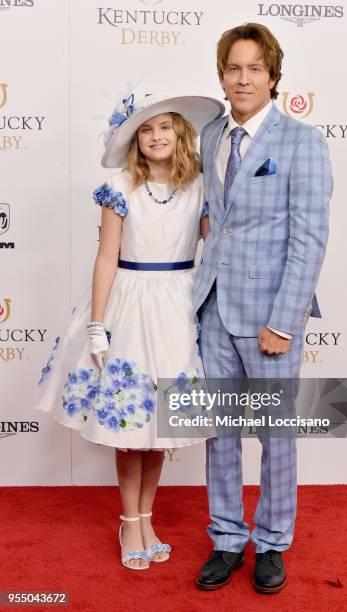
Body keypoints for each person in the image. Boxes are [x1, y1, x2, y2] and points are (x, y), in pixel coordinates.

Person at [35, 91, 224, 571]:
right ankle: (129, 520)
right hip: (130, 303)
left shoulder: (200, 185)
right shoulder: (120, 186)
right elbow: (106, 257)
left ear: (180, 133)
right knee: (129, 425)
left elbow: (217, 241)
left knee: (160, 425)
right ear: (134, 141)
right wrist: (98, 324)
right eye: (146, 129)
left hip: (179, 306)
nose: (156, 136)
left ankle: (147, 516)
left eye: (164, 126)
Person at [194, 23, 333, 593]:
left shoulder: (303, 141)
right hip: (212, 309)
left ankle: (273, 543)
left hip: (270, 316)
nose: (243, 77)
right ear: (222, 75)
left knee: (276, 435)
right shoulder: (208, 136)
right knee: (219, 433)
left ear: (273, 76)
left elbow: (309, 240)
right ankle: (227, 538)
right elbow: (210, 218)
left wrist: (285, 319)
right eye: (234, 67)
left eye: (255, 68)